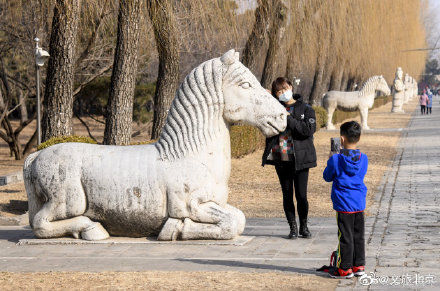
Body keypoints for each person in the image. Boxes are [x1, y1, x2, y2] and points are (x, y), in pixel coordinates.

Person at [262, 77, 317, 239]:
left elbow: (307, 130)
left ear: (291, 87)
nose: (283, 93)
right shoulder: (274, 107)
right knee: (287, 194)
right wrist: (267, 96)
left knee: (301, 195)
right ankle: (293, 227)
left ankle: (304, 227)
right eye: (279, 91)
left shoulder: (306, 109)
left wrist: (288, 117)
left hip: (301, 159)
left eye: (285, 89)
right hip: (281, 158)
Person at [323, 121, 368, 279]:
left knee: (345, 236)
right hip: (359, 202)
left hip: (343, 204)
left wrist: (331, 159)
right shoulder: (364, 158)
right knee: (358, 235)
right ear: (359, 138)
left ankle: (345, 268)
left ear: (341, 139)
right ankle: (359, 265)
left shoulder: (336, 160)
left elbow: (327, 177)